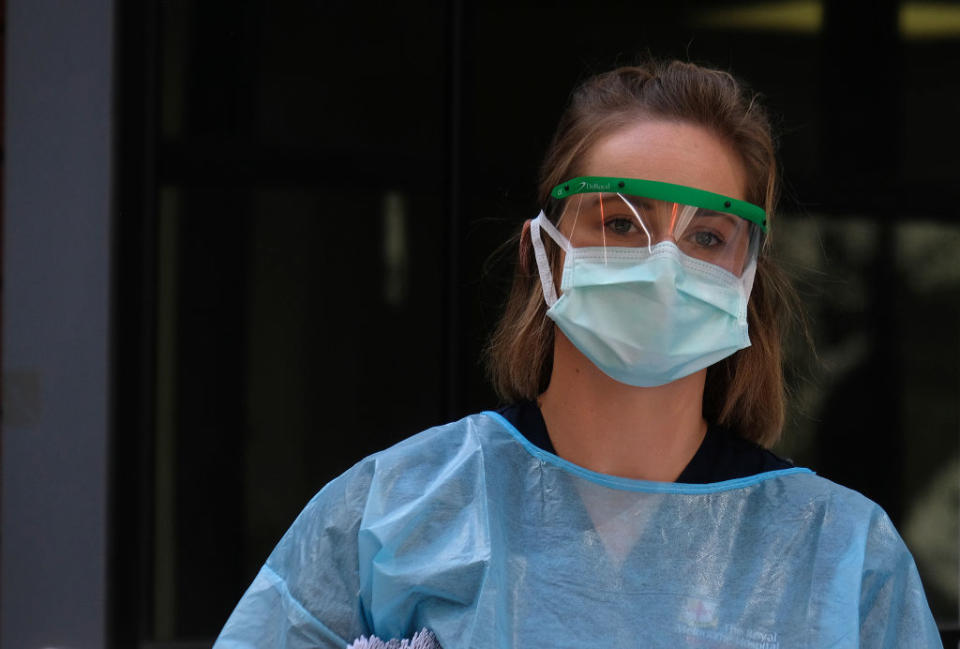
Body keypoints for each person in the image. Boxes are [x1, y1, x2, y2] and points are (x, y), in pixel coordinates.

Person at [214, 61, 942, 648]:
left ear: (746, 276)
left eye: (708, 236)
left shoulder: (842, 555)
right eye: (619, 223)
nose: (664, 264)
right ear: (543, 251)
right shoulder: (396, 512)